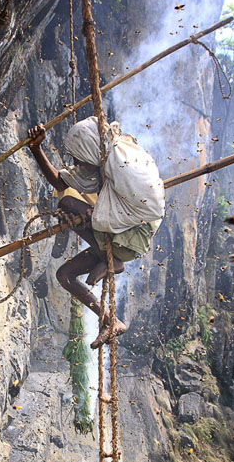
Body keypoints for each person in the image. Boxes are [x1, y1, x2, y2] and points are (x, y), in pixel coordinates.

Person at [27, 116, 165, 348]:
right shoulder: (101, 164)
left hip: (130, 238)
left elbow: (151, 208)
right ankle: (111, 321)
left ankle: (112, 261)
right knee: (65, 275)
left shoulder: (125, 164)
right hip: (115, 235)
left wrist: (96, 215)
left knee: (68, 204)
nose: (75, 162)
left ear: (90, 149)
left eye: (78, 157)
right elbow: (61, 182)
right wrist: (36, 148)